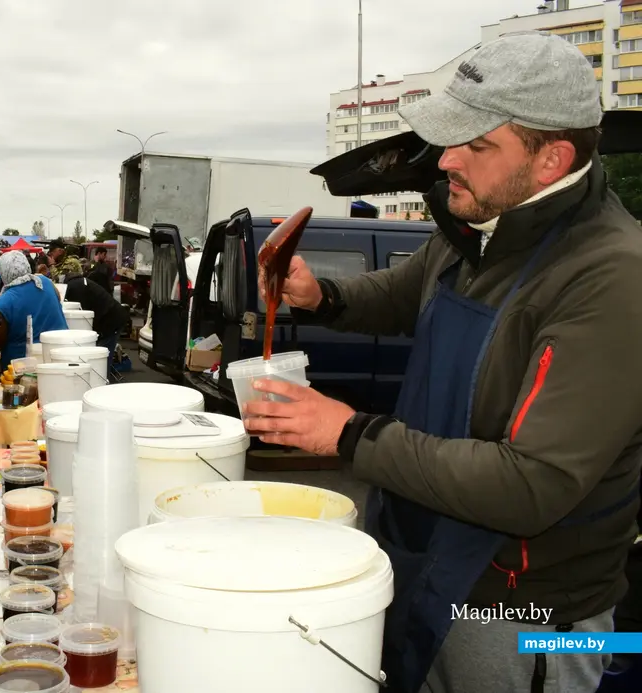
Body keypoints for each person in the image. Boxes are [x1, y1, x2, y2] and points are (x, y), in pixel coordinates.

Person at [242, 32, 642, 693]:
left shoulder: (611, 278)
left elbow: (531, 484)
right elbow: (401, 295)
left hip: (525, 610)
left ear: (552, 160)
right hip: (424, 555)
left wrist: (347, 431)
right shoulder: (477, 225)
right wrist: (320, 295)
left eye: (476, 144)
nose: (447, 159)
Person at [0, 250, 68, 364]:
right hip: (60, 354)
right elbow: (58, 300)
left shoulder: (3, 304)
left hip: (21, 365)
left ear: (3, 272)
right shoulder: (46, 282)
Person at [61, 258, 129, 368]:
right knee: (99, 355)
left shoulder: (75, 287)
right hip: (112, 317)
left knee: (101, 358)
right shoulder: (79, 282)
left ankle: (103, 381)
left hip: (112, 320)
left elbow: (82, 313)